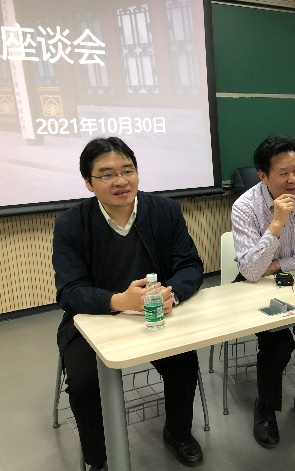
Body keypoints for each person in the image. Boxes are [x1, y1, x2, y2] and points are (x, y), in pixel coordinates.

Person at [52, 137, 204, 470]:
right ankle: (98, 459)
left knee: (184, 362)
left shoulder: (163, 210)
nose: (120, 181)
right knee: (84, 383)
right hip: (94, 319)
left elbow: (190, 265)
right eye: (107, 174)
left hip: (155, 314)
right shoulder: (71, 224)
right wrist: (120, 301)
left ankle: (178, 432)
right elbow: (70, 291)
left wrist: (172, 293)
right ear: (89, 183)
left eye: (127, 170)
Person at [231, 135, 295, 449]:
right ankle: (265, 407)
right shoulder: (245, 207)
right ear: (263, 176)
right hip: (260, 290)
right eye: (283, 173)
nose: (293, 179)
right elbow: (251, 271)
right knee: (277, 344)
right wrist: (276, 223)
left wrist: (277, 264)